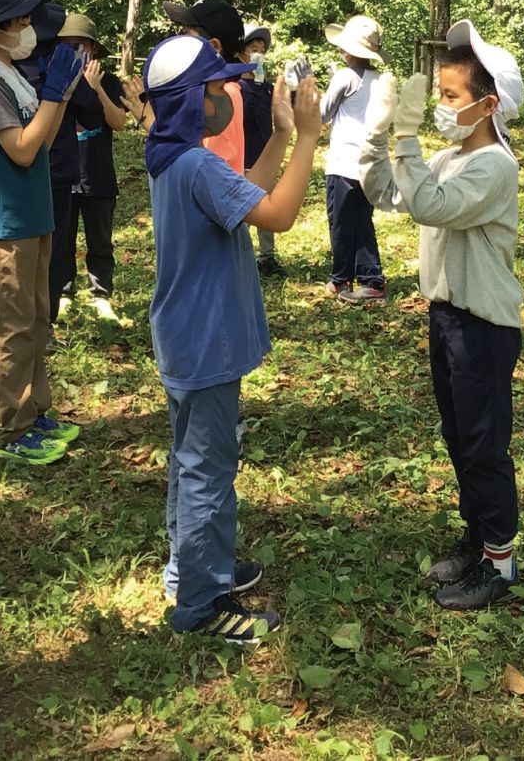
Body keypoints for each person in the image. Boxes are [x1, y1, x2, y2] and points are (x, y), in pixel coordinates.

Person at [144, 34, 321, 642]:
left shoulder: (175, 156)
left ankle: (188, 570)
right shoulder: (194, 164)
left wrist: (276, 137)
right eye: (218, 86)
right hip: (207, 341)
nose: (228, 93)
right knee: (208, 473)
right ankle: (200, 604)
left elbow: (246, 191)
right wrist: (307, 138)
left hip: (186, 335)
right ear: (194, 99)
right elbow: (278, 214)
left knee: (191, 460)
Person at [359, 20, 524, 609]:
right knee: (460, 438)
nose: (440, 108)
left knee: (484, 444)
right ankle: (479, 541)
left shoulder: (494, 166)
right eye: (440, 98)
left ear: (489, 104)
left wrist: (406, 140)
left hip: (483, 325)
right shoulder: (455, 156)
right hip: (448, 317)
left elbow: (429, 205)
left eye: (451, 98)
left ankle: (499, 565)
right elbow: (391, 194)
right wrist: (380, 139)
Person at [0, 0, 84, 466]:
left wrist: (61, 97)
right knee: (12, 327)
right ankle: (8, 427)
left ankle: (34, 411)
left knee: (36, 320)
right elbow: (22, 149)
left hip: (33, 215)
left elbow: (43, 143)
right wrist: (52, 94)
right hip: (5, 224)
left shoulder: (11, 74)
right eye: (21, 21)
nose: (29, 28)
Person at [50, 13, 130, 322]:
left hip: (98, 176)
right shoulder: (53, 78)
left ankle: (101, 295)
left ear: (93, 49)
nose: (75, 51)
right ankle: (64, 292)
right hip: (63, 174)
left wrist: (95, 88)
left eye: (81, 45)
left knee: (100, 240)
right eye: (68, 45)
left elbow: (119, 123)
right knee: (62, 241)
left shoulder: (108, 81)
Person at [322, 14, 392, 303]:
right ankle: (365, 277)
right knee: (362, 219)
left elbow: (322, 114)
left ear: (348, 50)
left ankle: (345, 279)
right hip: (372, 163)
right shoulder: (382, 80)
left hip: (344, 161)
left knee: (339, 220)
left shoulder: (343, 77)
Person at [165, 0, 248, 172]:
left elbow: (210, 171)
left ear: (214, 46)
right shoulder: (207, 91)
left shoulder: (223, 95)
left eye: (187, 32)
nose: (179, 38)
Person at [237, 23, 283, 276]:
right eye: (253, 48)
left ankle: (267, 257)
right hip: (241, 159)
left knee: (266, 207)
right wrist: (254, 86)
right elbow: (243, 116)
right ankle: (240, 258)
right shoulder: (234, 87)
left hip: (264, 157)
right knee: (242, 210)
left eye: (262, 50)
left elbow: (276, 118)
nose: (258, 54)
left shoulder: (266, 87)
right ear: (240, 52)